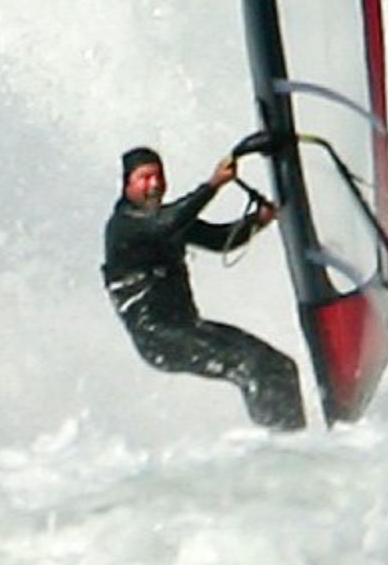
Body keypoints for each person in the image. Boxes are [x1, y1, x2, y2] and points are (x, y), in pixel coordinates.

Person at [105, 140, 305, 431]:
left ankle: (301, 442)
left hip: (189, 328)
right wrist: (213, 184)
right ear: (127, 185)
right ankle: (283, 447)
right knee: (250, 366)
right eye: (145, 178)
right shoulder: (125, 225)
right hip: (158, 337)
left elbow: (220, 239)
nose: (155, 184)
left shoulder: (166, 219)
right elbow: (166, 225)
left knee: (280, 367)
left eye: (159, 176)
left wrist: (258, 220)